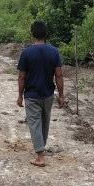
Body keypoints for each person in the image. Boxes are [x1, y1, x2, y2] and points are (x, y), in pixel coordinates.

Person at [16, 20, 64, 167]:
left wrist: (19, 95)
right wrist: (61, 95)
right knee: (45, 122)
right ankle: (41, 148)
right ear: (46, 34)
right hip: (48, 93)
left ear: (32, 35)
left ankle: (40, 156)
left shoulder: (26, 52)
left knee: (35, 123)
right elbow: (59, 75)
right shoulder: (54, 51)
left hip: (31, 95)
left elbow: (22, 77)